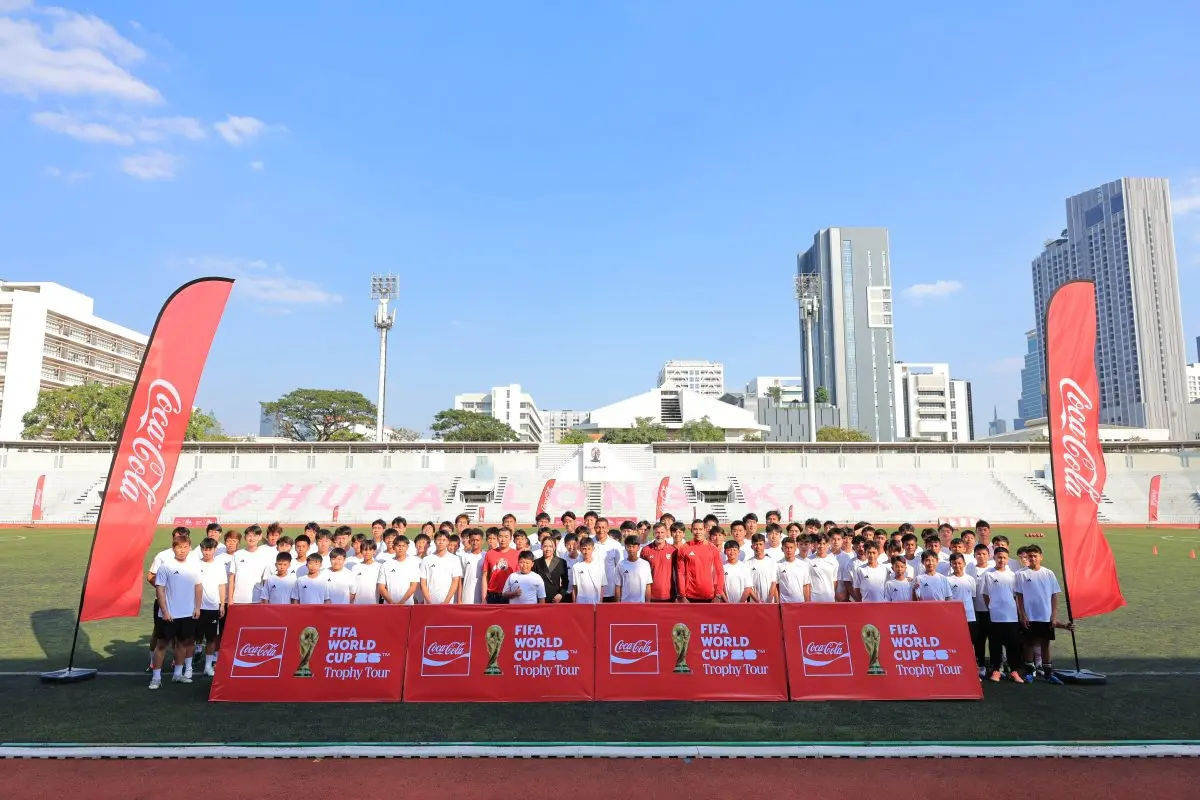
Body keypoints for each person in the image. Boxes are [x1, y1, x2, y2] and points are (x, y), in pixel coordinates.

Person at [150, 536, 202, 689]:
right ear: (173, 548)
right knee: (162, 645)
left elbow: (198, 587)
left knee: (182, 644)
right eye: (179, 547)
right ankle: (156, 678)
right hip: (169, 615)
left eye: (185, 547)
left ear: (189, 548)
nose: (182, 550)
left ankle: (178, 675)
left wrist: (197, 608)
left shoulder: (193, 565)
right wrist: (165, 611)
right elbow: (160, 589)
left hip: (187, 614)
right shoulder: (166, 566)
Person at [1015, 544, 1071, 684]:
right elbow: (1019, 596)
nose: (1032, 558)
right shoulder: (1021, 574)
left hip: (1045, 616)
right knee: (1029, 644)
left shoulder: (1048, 573)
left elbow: (1054, 595)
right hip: (1029, 616)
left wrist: (1053, 615)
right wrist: (1022, 614)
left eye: (1035, 556)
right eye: (1030, 556)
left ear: (1041, 557)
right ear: (1026, 558)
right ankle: (1030, 673)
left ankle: (1048, 674)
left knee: (1045, 645)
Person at [982, 547, 1024, 683]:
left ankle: (1014, 671)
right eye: (999, 557)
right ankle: (996, 671)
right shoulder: (989, 574)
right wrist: (992, 607)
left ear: (1007, 559)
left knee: (1013, 645)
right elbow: (985, 594)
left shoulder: (1013, 575)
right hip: (995, 616)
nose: (1001, 560)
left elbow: (1017, 595)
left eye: (1004, 557)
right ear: (994, 558)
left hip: (1011, 616)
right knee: (995, 645)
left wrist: (1018, 612)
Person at [194, 537, 228, 677]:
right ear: (201, 549)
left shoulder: (219, 566)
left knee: (211, 638)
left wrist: (221, 604)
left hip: (213, 607)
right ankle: (189, 667)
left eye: (210, 549)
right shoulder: (194, 564)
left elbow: (221, 585)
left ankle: (208, 666)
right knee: (194, 637)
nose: (207, 552)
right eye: (204, 549)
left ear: (215, 550)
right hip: (197, 607)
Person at [675, 519, 724, 603]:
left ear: (705, 530)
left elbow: (720, 572)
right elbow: (680, 573)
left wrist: (718, 595)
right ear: (691, 530)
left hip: (709, 595)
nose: (698, 532)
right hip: (689, 596)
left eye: (700, 529)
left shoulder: (713, 549)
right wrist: (682, 595)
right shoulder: (684, 548)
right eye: (695, 529)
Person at [421, 531, 463, 604]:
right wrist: (429, 602)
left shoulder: (455, 559)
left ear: (447, 542)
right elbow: (423, 583)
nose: (441, 542)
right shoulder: (426, 559)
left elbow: (455, 582)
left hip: (448, 602)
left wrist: (446, 602)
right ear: (434, 541)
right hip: (430, 603)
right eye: (438, 540)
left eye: (444, 540)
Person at [378, 535, 420, 605]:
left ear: (407, 547)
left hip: (407, 605)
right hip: (389, 606)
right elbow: (381, 587)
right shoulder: (386, 565)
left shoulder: (413, 564)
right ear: (394, 547)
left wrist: (402, 602)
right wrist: (391, 602)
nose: (401, 548)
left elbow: (413, 586)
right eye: (398, 546)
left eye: (403, 546)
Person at [640, 523, 676, 602]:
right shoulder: (645, 550)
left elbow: (678, 573)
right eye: (657, 532)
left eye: (662, 532)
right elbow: (641, 574)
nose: (660, 535)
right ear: (653, 533)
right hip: (650, 595)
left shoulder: (673, 550)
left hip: (669, 595)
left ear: (666, 533)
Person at [483, 527, 519, 604]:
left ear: (511, 538)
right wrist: (484, 598)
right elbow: (485, 576)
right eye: (500, 536)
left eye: (506, 537)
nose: (503, 539)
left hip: (510, 596)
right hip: (493, 596)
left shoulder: (517, 554)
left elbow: (520, 577)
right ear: (497, 538)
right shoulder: (489, 554)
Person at [592, 517, 623, 603]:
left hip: (610, 590)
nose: (601, 530)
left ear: (608, 529)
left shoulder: (615, 545)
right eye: (598, 527)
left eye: (603, 527)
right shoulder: (589, 543)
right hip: (592, 589)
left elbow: (620, 567)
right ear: (594, 528)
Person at [615, 535, 652, 603]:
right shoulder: (620, 565)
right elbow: (618, 586)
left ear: (638, 548)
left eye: (633, 546)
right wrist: (618, 603)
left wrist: (648, 603)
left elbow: (648, 585)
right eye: (629, 546)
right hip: (625, 603)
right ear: (625, 547)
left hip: (641, 603)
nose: (631, 549)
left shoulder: (645, 564)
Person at [533, 535, 570, 603]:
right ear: (541, 547)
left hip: (556, 600)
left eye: (550, 546)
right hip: (540, 600)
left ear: (555, 547)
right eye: (545, 546)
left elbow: (565, 582)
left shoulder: (561, 562)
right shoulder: (536, 563)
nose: (548, 549)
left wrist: (560, 594)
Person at [572, 537, 608, 605]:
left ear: (593, 549)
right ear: (580, 549)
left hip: (596, 602)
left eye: (589, 549)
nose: (586, 552)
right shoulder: (576, 567)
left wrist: (600, 602)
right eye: (584, 549)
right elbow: (574, 588)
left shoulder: (599, 566)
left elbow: (602, 587)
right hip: (581, 602)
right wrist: (574, 606)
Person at [775, 537, 812, 604]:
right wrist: (777, 603)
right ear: (782, 549)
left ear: (795, 549)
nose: (789, 550)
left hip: (800, 603)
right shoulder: (777, 565)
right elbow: (776, 586)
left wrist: (807, 603)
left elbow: (806, 586)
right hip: (784, 603)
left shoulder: (803, 565)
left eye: (791, 547)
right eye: (786, 548)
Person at [746, 534, 778, 603]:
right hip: (754, 603)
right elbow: (748, 586)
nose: (758, 547)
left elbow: (773, 582)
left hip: (769, 602)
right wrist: (758, 601)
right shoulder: (747, 563)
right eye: (755, 544)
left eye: (760, 544)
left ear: (765, 546)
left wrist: (770, 600)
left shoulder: (771, 561)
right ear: (752, 546)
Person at [807, 533, 839, 602]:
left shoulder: (833, 561)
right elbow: (807, 583)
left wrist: (831, 594)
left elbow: (835, 581)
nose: (821, 546)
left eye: (824, 543)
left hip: (829, 599)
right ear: (815, 544)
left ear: (828, 545)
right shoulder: (808, 560)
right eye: (819, 543)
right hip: (814, 599)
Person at [458, 528, 486, 604]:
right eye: (473, 540)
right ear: (469, 541)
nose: (475, 542)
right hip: (467, 596)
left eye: (477, 540)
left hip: (482, 596)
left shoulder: (486, 556)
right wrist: (459, 599)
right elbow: (461, 579)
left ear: (482, 541)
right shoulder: (464, 556)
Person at [352, 540, 383, 605]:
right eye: (365, 550)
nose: (367, 552)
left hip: (374, 605)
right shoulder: (355, 567)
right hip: (357, 604)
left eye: (370, 550)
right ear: (361, 551)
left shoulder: (380, 567)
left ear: (374, 551)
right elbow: (352, 589)